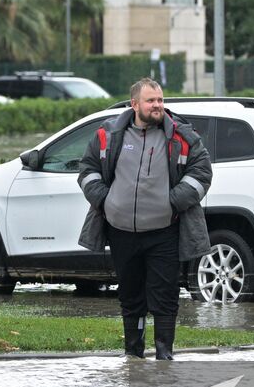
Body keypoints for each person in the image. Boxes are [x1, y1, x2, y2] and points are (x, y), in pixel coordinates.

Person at [77, 77, 212, 360]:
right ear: (134, 104)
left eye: (160, 100)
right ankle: (133, 356)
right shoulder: (108, 135)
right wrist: (104, 199)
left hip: (164, 232)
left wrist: (172, 203)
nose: (157, 106)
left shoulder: (182, 136)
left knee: (164, 297)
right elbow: (87, 168)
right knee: (130, 296)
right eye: (151, 101)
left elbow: (202, 173)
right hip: (121, 231)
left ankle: (164, 356)